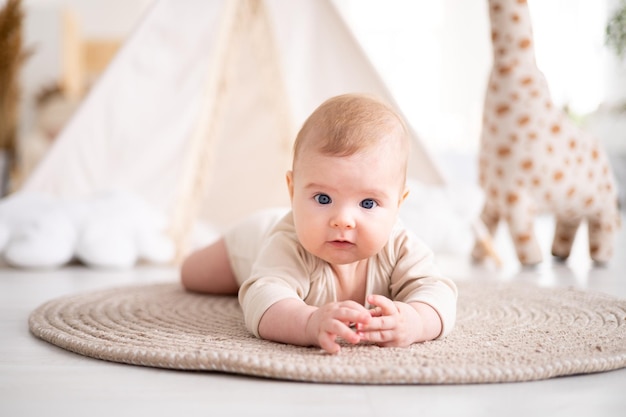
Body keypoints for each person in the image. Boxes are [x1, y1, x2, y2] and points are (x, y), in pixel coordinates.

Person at [181, 93, 458, 354]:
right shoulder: (289, 244)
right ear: (293, 191)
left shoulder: (400, 246)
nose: (343, 221)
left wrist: (416, 320)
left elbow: (438, 291)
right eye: (323, 198)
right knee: (192, 275)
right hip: (252, 239)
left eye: (368, 204)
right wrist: (308, 322)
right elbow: (262, 300)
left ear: (398, 203)